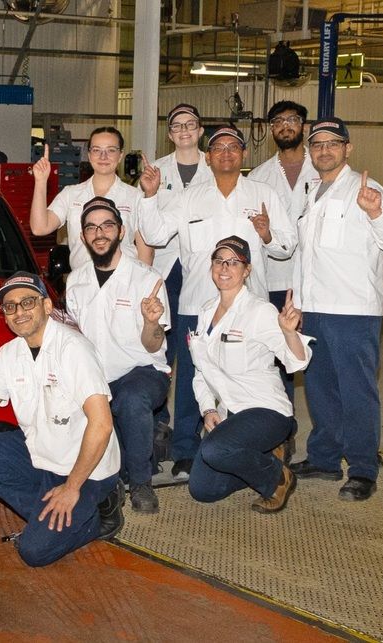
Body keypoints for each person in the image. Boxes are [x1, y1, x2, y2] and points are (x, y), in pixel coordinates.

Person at [138, 124, 296, 482]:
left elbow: (287, 246)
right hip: (197, 305)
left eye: (233, 147)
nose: (226, 153)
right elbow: (155, 234)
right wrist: (149, 196)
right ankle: (185, 450)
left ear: (244, 155)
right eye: (218, 148)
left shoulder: (263, 194)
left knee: (250, 375)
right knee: (192, 376)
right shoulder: (189, 197)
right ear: (208, 158)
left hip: (248, 309)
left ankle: (255, 441)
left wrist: (266, 234)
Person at [0, 272, 124, 567]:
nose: (19, 311)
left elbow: (102, 425)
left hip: (87, 469)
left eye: (27, 302)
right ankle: (50, 517)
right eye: (10, 306)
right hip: (43, 457)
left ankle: (98, 513)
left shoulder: (73, 349)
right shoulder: (8, 354)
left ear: (47, 306)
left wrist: (71, 488)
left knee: (34, 552)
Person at [291, 117, 383, 501]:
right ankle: (324, 459)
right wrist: (297, 302)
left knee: (357, 390)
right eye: (317, 144)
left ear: (347, 148)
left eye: (333, 143)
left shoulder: (366, 188)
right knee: (320, 388)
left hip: (353, 310)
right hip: (315, 309)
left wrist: (375, 212)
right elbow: (306, 255)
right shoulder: (313, 192)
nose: (324, 150)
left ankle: (362, 468)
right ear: (310, 152)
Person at [186, 236, 311, 512]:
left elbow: (296, 361)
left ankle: (277, 477)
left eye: (234, 262)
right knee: (203, 490)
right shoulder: (206, 312)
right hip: (229, 415)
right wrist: (208, 409)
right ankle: (263, 457)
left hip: (265, 411)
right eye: (219, 261)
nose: (224, 268)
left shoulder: (260, 311)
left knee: (215, 450)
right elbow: (200, 371)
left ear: (247, 270)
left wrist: (290, 333)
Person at [65, 197, 170, 514]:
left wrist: (151, 323)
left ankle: (141, 483)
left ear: (121, 231)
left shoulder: (147, 278)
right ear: (83, 236)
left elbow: (153, 346)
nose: (100, 233)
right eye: (91, 228)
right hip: (97, 376)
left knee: (131, 400)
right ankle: (139, 449)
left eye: (107, 226)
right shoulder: (76, 281)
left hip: (142, 372)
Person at [149, 104, 212, 464]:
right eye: (177, 126)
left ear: (200, 130)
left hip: (201, 270)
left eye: (191, 124)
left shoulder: (215, 168)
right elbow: (145, 223)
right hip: (164, 268)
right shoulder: (157, 172)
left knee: (195, 352)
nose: (185, 131)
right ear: (170, 133)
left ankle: (200, 426)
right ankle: (159, 424)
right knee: (161, 349)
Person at [246, 101, 315, 418]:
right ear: (271, 128)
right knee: (277, 358)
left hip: (315, 281)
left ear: (304, 126)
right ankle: (282, 426)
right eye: (278, 121)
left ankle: (325, 434)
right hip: (274, 280)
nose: (285, 125)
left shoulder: (322, 169)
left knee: (315, 358)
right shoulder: (259, 177)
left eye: (292, 119)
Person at [29, 126, 152, 271]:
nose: (103, 156)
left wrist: (141, 281)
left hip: (123, 280)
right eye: (96, 150)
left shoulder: (136, 197)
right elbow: (39, 228)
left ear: (120, 155)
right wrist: (41, 181)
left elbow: (146, 252)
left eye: (111, 150)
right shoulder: (71, 194)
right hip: (81, 280)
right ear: (89, 155)